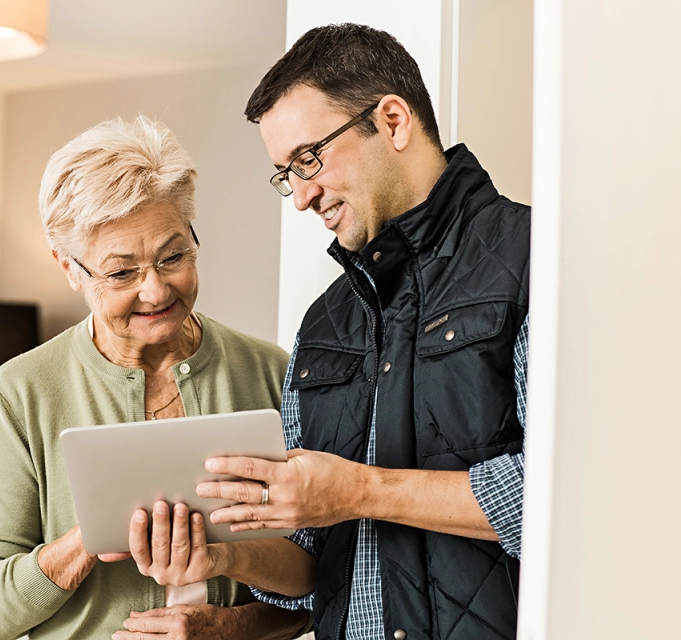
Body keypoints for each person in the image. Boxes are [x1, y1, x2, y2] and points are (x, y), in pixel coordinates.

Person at [127, 24, 528, 640]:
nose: (301, 196)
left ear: (393, 121)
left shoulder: (533, 260)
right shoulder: (324, 324)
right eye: (286, 173)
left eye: (309, 158)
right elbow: (310, 559)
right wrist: (225, 556)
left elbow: (557, 498)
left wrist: (364, 490)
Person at [0, 115, 311, 640]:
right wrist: (90, 539)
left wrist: (232, 620)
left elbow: (324, 580)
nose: (155, 291)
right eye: (121, 272)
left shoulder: (270, 372)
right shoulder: (21, 393)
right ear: (69, 267)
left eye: (174, 257)